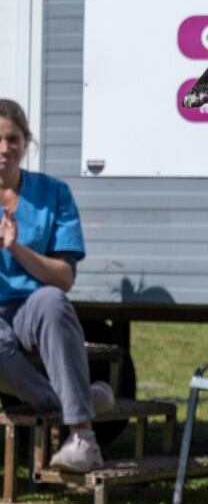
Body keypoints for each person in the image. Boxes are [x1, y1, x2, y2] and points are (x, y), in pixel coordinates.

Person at [0, 99, 115, 472]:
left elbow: (64, 278)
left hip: (34, 307)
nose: (5, 148)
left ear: (25, 142)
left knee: (52, 301)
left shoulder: (53, 193)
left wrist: (16, 248)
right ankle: (79, 400)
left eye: (12, 138)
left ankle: (83, 440)